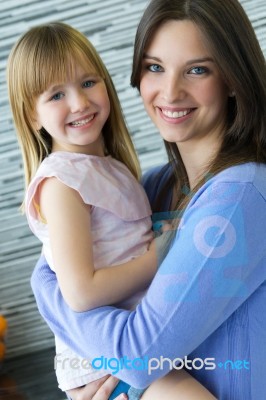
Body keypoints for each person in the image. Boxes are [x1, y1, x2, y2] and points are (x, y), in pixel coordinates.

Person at [30, 0, 266, 398]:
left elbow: (138, 356)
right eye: (155, 67)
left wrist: (52, 297)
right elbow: (58, 263)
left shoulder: (239, 195)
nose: (170, 91)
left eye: (197, 69)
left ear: (231, 78)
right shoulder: (153, 188)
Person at [7, 21, 216, 400]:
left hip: (140, 340)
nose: (79, 103)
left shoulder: (108, 168)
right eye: (56, 95)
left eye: (88, 83)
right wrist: (161, 257)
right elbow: (81, 292)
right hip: (107, 363)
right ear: (32, 115)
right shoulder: (61, 184)